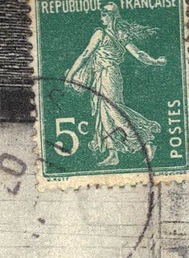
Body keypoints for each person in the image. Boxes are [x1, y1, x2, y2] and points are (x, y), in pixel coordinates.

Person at [65, 3, 166, 168]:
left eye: (105, 14)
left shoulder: (103, 33)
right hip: (101, 76)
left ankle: (146, 141)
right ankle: (113, 153)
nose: (102, 17)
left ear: (112, 15)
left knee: (115, 111)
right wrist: (155, 61)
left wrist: (70, 76)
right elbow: (139, 54)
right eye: (102, 14)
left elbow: (85, 55)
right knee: (103, 115)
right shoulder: (119, 34)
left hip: (109, 76)